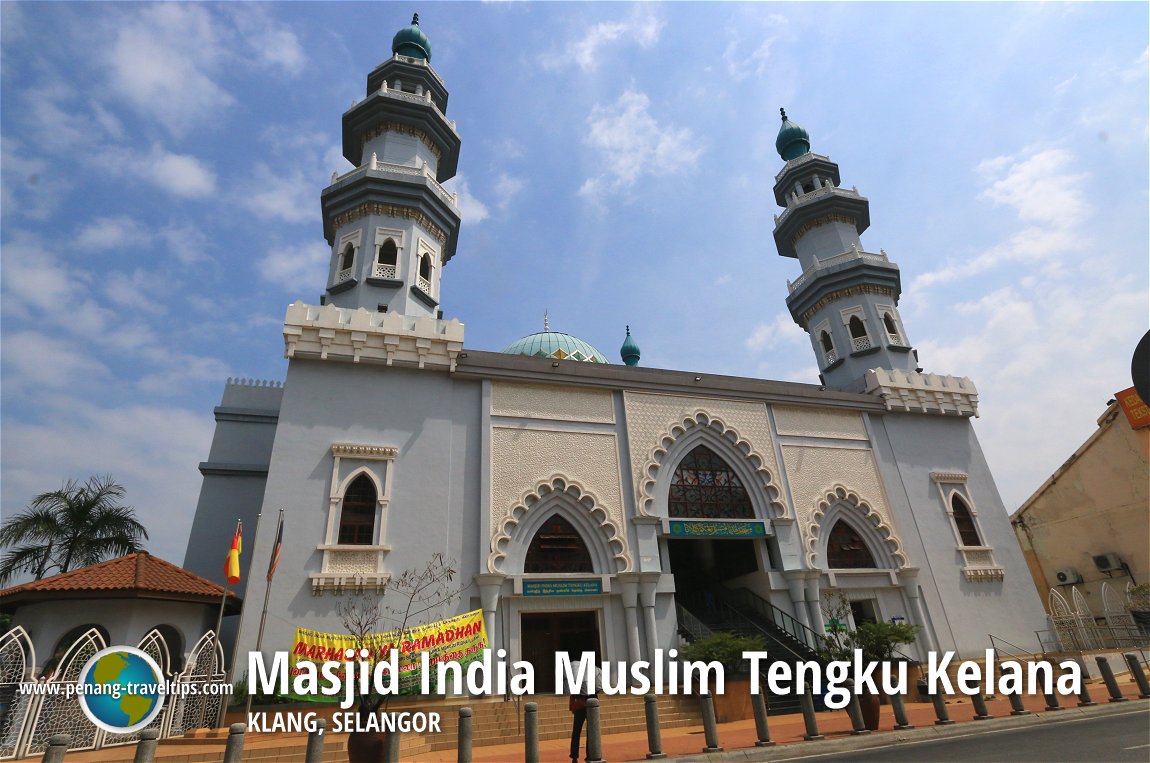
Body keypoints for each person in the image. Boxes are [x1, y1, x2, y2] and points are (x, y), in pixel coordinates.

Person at [568, 650, 602, 762]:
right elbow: (599, 687)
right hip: (591, 703)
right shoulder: (595, 671)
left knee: (577, 731)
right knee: (591, 731)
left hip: (581, 704)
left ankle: (574, 756)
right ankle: (590, 755)